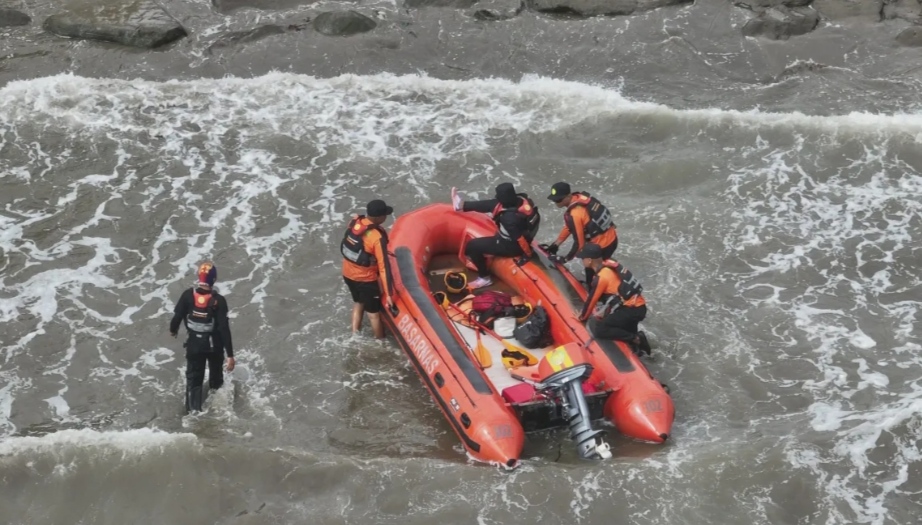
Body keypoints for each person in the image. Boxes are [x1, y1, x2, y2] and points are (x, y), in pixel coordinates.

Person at [169, 261, 235, 413]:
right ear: (214, 279)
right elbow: (224, 328)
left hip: (194, 346)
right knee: (216, 380)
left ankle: (193, 413)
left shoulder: (188, 295)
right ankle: (216, 411)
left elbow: (177, 317)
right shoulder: (218, 300)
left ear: (200, 277)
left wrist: (173, 331)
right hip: (214, 347)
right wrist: (230, 355)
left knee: (194, 381)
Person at [451, 182, 540, 289]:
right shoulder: (522, 200)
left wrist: (527, 254)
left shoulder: (509, 219)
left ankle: (484, 278)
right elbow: (493, 204)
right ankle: (462, 205)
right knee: (492, 204)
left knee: (472, 246)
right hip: (521, 232)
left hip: (511, 246)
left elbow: (520, 239)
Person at [575, 243, 651, 355]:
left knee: (600, 330)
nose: (582, 261)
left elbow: (591, 301)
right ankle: (639, 350)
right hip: (638, 307)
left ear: (589, 260)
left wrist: (582, 317)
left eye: (583, 258)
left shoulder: (601, 278)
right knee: (622, 327)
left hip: (631, 310)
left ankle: (636, 338)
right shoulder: (609, 266)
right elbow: (615, 295)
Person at [541, 182, 619, 285]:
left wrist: (565, 259)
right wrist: (556, 244)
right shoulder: (579, 198)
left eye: (559, 200)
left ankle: (595, 291)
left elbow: (579, 244)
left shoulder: (576, 214)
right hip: (612, 238)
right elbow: (570, 227)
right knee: (594, 266)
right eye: (554, 200)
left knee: (591, 267)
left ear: (569, 196)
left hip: (603, 245)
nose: (556, 203)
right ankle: (595, 285)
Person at [341, 199, 396, 339]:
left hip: (348, 274)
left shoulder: (355, 222)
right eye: (385, 215)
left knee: (359, 302)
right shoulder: (376, 237)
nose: (386, 217)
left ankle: (354, 335)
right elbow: (383, 266)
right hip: (365, 279)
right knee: (373, 315)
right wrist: (389, 294)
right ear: (378, 217)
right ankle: (380, 342)